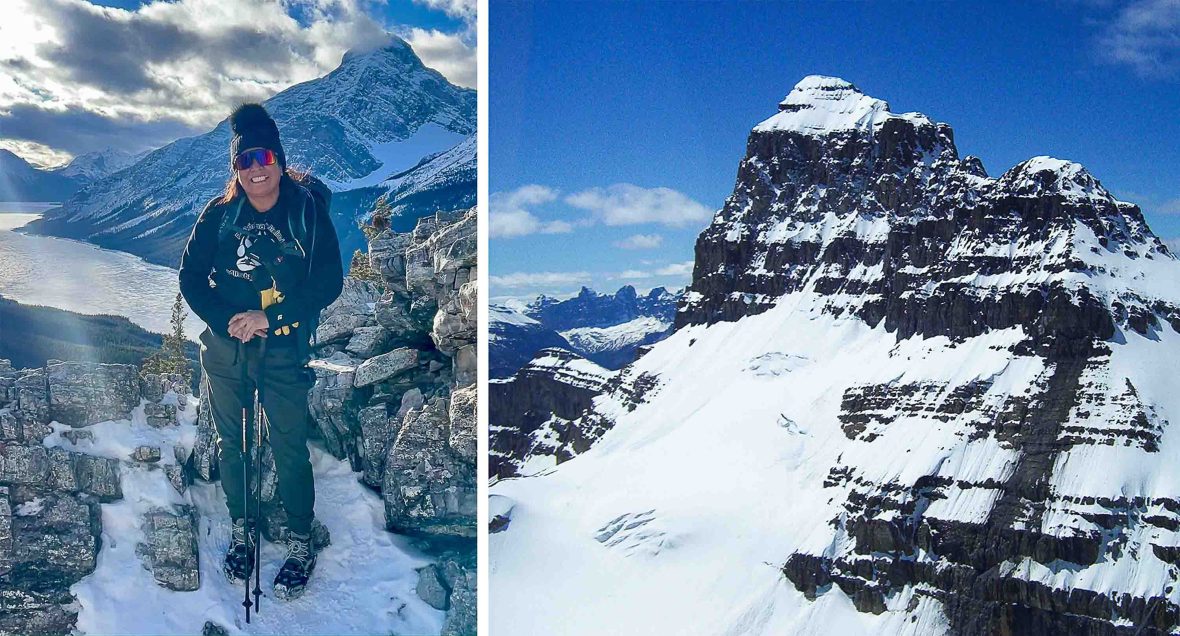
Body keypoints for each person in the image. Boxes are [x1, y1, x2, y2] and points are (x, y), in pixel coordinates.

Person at [178, 102, 342, 600]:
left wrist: (270, 317)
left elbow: (328, 281)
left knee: (289, 446)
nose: (256, 168)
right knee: (234, 443)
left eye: (263, 156)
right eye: (244, 160)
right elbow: (190, 276)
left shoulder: (306, 211)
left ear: (279, 158)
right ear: (236, 168)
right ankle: (243, 526)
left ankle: (298, 538)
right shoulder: (221, 214)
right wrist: (227, 321)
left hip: (284, 346)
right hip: (227, 347)